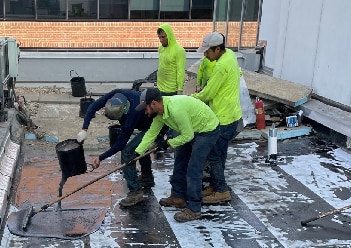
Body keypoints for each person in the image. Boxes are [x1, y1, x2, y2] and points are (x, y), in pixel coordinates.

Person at [135, 88, 220, 223]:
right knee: (180, 161)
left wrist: (169, 143)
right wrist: (137, 153)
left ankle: (194, 208)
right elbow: (151, 133)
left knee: (193, 168)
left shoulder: (176, 110)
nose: (145, 112)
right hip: (191, 129)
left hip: (206, 129)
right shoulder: (160, 114)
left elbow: (188, 135)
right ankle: (178, 197)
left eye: (146, 108)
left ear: (154, 104)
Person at [77, 89, 155, 207]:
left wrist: (100, 157)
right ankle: (146, 176)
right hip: (144, 122)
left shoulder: (132, 116)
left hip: (154, 126)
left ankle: (136, 192)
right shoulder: (115, 94)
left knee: (128, 152)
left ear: (124, 111)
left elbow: (120, 144)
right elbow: (92, 107)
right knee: (139, 147)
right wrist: (84, 129)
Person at [192, 32, 242, 204]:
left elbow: (209, 92)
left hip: (223, 117)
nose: (205, 55)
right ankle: (215, 185)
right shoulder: (230, 55)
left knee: (213, 155)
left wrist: (191, 99)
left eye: (208, 52)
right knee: (220, 154)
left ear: (218, 48)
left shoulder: (221, 66)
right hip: (232, 114)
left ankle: (221, 190)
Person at [156, 23, 187, 97]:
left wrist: (180, 90)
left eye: (163, 37)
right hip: (160, 88)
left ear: (169, 36)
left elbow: (180, 71)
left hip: (171, 91)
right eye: (159, 37)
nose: (161, 40)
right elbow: (161, 66)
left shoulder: (179, 50)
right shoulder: (161, 48)